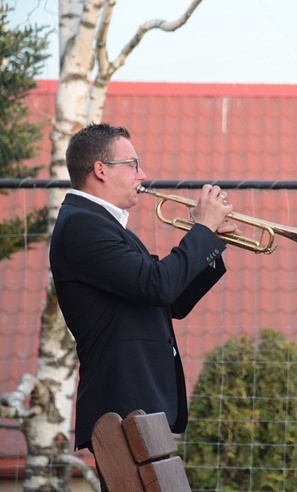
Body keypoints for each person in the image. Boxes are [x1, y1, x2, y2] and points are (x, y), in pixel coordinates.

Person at [49, 123, 238, 454]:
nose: (143, 174)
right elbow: (159, 285)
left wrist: (209, 243)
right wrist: (202, 230)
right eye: (133, 164)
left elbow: (170, 302)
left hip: (138, 404)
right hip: (122, 405)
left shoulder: (105, 226)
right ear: (101, 170)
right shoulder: (83, 225)